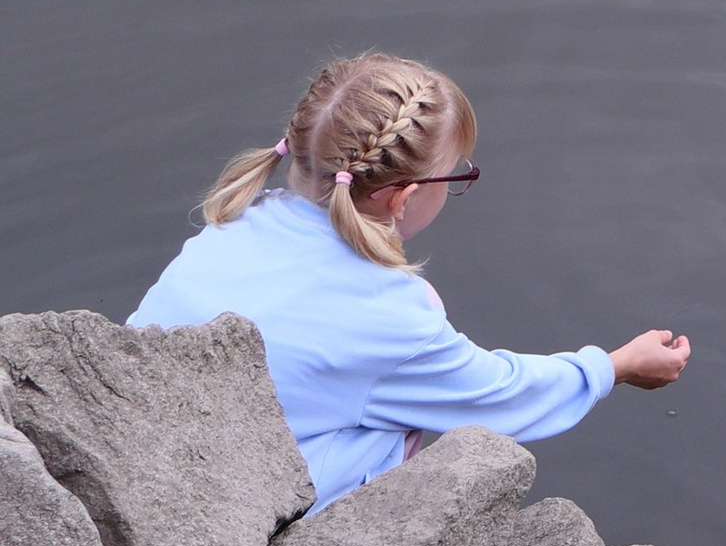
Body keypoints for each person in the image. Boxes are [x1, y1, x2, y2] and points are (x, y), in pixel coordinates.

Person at [132, 50, 689, 508]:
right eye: (458, 174)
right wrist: (615, 367)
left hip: (135, 453)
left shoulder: (234, 220)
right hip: (221, 506)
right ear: (403, 197)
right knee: (397, 422)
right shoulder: (389, 312)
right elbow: (501, 396)